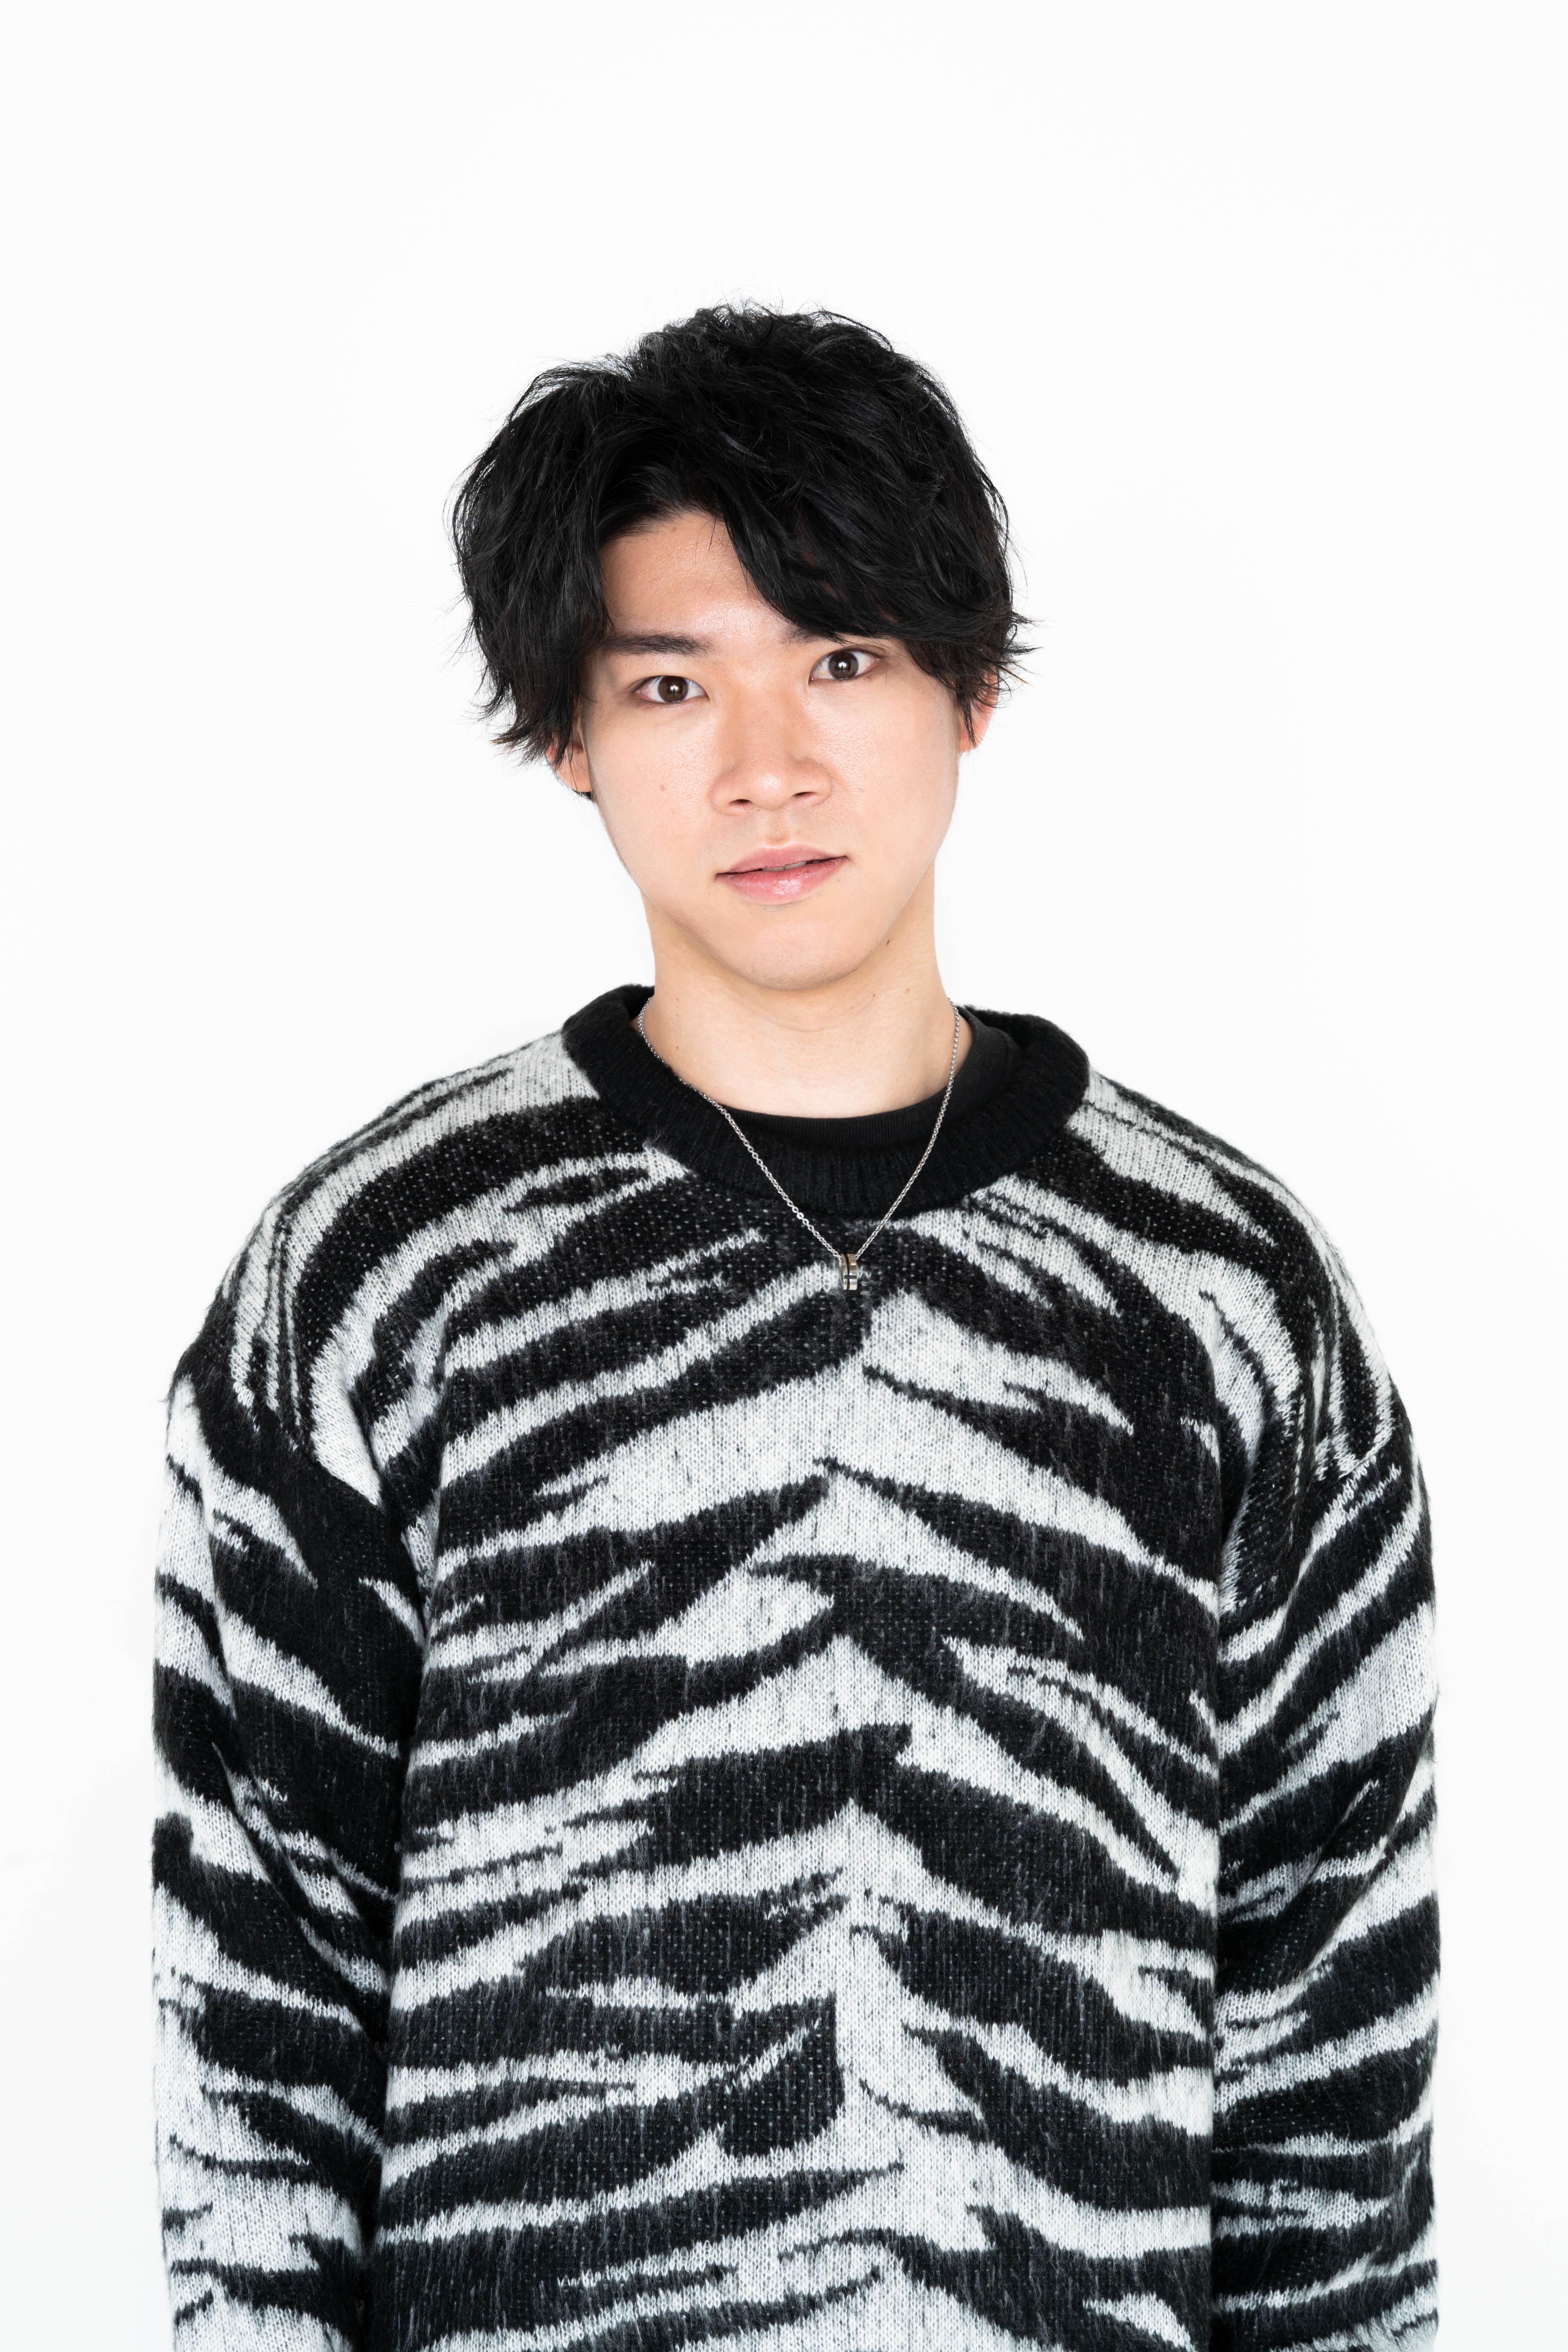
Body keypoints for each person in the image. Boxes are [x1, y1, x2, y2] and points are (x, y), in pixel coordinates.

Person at [150, 305, 1438, 2352]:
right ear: (570, 737)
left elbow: (1332, 2044)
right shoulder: (379, 1275)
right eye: (672, 684)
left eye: (842, 659)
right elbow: (259, 2016)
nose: (769, 768)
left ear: (972, 690)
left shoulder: (1227, 1291)